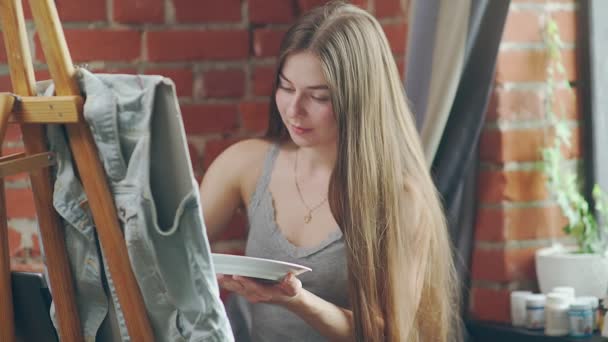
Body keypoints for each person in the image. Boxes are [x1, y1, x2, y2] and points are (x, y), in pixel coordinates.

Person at [200, 1, 461, 341]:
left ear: (359, 100)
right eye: (286, 87)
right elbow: (171, 255)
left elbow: (389, 335)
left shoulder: (400, 198)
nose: (294, 110)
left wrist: (298, 300)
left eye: (319, 97)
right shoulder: (245, 164)